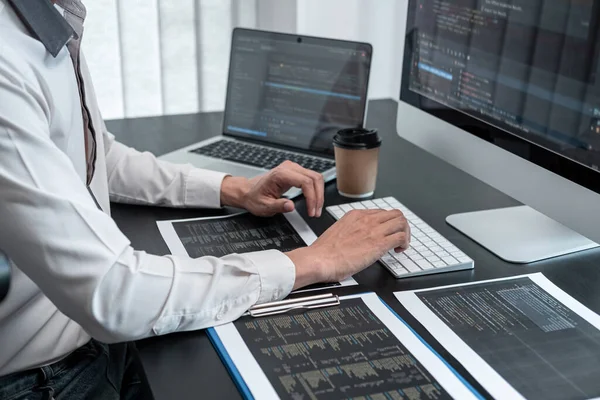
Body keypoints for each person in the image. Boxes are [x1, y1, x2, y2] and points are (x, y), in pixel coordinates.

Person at [0, 1, 410, 398]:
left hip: (90, 345)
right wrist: (315, 260)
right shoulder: (7, 63)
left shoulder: (54, 16)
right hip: (44, 379)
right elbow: (112, 292)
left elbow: (96, 156)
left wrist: (233, 188)